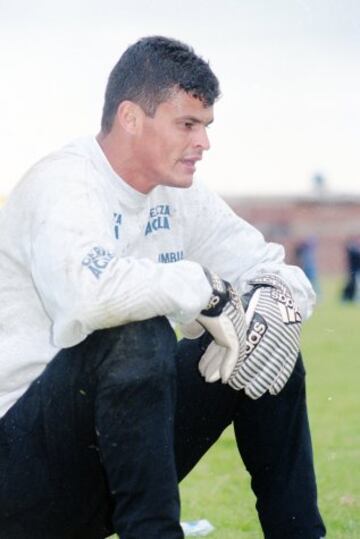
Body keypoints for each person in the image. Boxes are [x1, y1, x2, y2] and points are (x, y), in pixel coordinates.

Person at [0, 36, 326, 539]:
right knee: (138, 331)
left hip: (116, 460)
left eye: (206, 126)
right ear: (131, 117)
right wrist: (207, 291)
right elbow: (90, 296)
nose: (204, 142)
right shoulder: (63, 182)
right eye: (188, 124)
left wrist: (274, 305)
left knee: (268, 338)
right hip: (21, 472)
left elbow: (275, 270)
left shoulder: (180, 197)